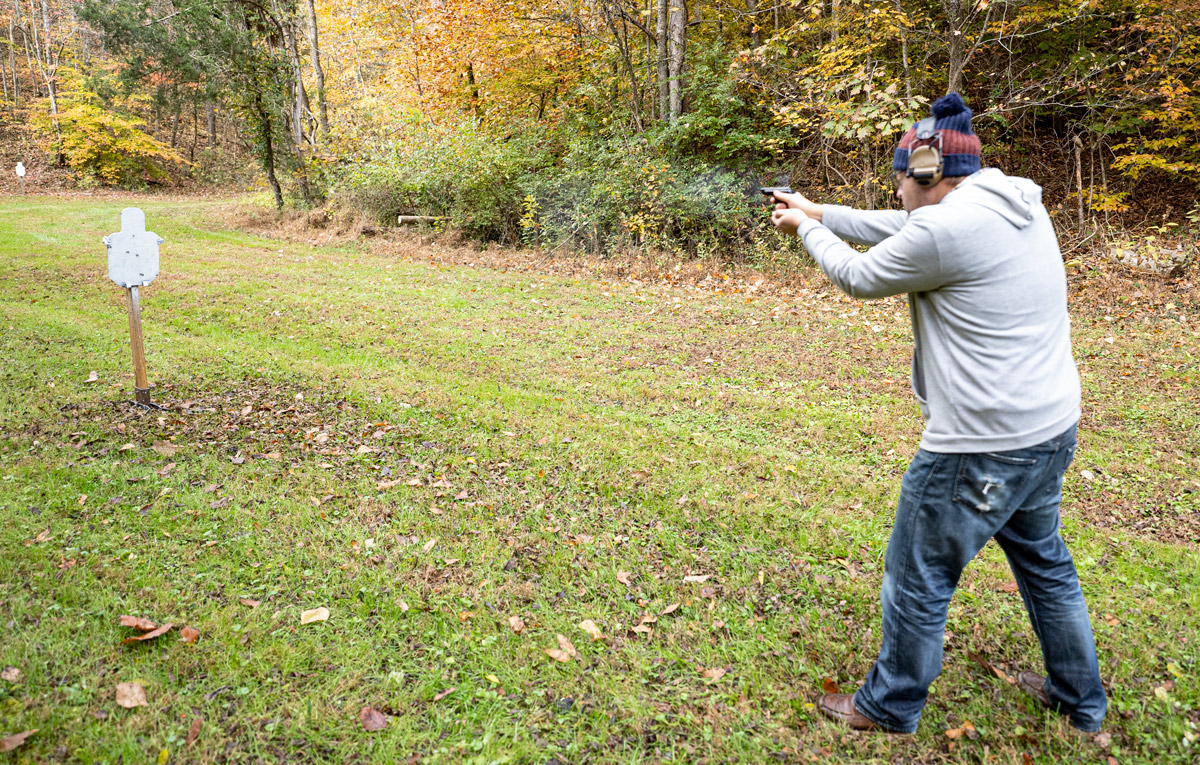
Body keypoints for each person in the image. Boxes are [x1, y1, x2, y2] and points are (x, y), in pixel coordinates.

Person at [768, 92, 1107, 735]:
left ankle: (890, 705)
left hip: (981, 445)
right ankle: (1080, 701)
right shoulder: (1005, 202)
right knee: (1045, 564)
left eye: (901, 176)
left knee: (918, 574)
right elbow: (903, 229)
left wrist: (806, 230)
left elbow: (859, 277)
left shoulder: (945, 229)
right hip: (1047, 426)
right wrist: (821, 210)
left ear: (928, 172)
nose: (895, 190)